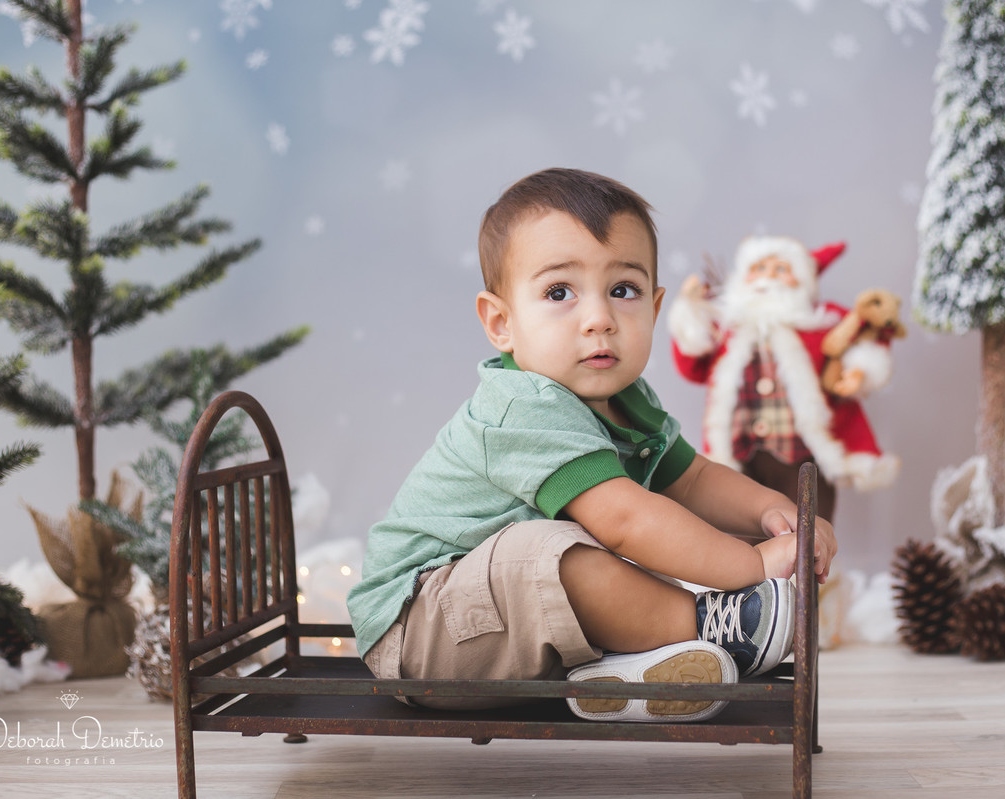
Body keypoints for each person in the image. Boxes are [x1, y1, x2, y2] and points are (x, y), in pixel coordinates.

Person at [346, 168, 836, 724]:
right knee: (556, 548)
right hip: (422, 632)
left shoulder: (628, 398)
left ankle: (625, 674)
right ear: (502, 322)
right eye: (560, 293)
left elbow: (694, 479)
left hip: (515, 631)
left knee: (592, 551)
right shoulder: (524, 408)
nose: (599, 319)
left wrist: (774, 510)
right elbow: (626, 519)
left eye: (622, 290)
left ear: (654, 309)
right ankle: (712, 628)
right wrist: (749, 564)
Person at [668, 237, 900, 523]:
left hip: (802, 453)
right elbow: (693, 367)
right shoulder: (728, 329)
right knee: (739, 526)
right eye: (760, 268)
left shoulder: (818, 323)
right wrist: (692, 313)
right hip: (740, 456)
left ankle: (807, 565)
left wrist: (859, 371)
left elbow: (863, 337)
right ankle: (746, 568)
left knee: (809, 527)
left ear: (802, 280)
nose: (769, 277)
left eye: (781, 269)